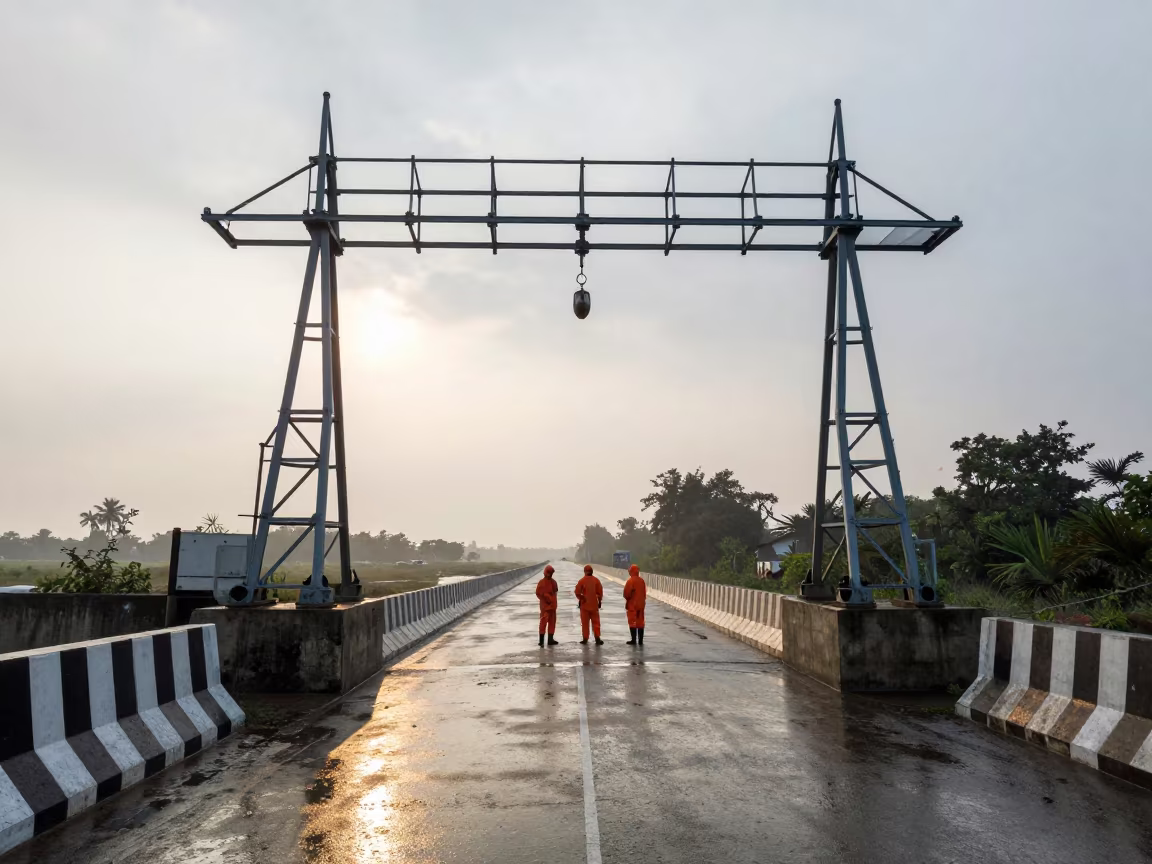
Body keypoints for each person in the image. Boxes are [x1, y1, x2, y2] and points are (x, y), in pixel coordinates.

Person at [574, 564, 604, 645]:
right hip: (594, 606)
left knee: (585, 623)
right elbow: (600, 593)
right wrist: (600, 601)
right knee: (596, 623)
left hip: (584, 606)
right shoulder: (596, 581)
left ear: (585, 571)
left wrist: (581, 598)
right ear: (592, 571)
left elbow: (577, 592)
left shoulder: (582, 581)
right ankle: (597, 638)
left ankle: (585, 639)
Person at [623, 564, 647, 646]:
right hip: (641, 605)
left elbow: (626, 594)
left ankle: (633, 640)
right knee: (640, 622)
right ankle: (640, 641)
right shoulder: (642, 581)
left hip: (633, 605)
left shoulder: (630, 581)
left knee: (632, 622)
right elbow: (644, 593)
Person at [536, 565, 560, 646]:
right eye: (549, 573)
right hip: (545, 607)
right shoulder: (542, 583)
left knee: (552, 623)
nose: (549, 575)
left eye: (551, 573)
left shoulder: (553, 582)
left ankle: (550, 639)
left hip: (552, 607)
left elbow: (555, 592)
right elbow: (538, 594)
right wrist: (546, 598)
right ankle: (541, 641)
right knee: (543, 623)